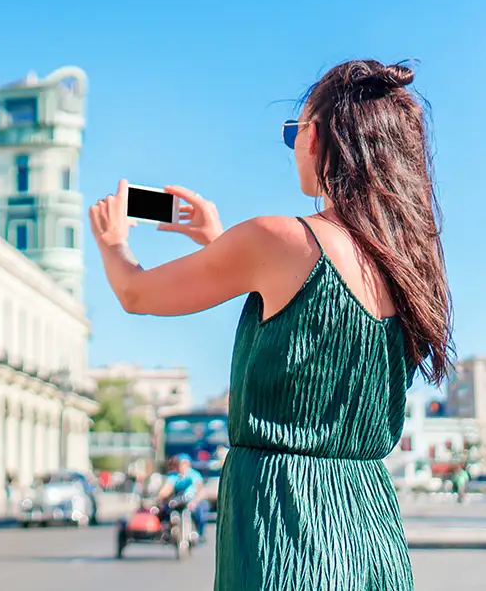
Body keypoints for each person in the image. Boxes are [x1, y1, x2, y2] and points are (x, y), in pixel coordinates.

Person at [89, 60, 451, 591]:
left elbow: (136, 293)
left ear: (319, 135)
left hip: (283, 526)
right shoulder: (406, 267)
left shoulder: (276, 240)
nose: (292, 147)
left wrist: (113, 240)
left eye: (294, 131)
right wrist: (220, 243)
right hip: (372, 528)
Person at [157, 454, 209, 540]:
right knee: (164, 510)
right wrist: (161, 496)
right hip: (178, 501)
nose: (182, 466)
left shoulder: (194, 475)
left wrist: (195, 501)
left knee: (201, 509)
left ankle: (199, 533)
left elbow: (200, 490)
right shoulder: (173, 476)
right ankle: (167, 532)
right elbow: (167, 488)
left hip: (191, 501)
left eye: (184, 464)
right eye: (180, 464)